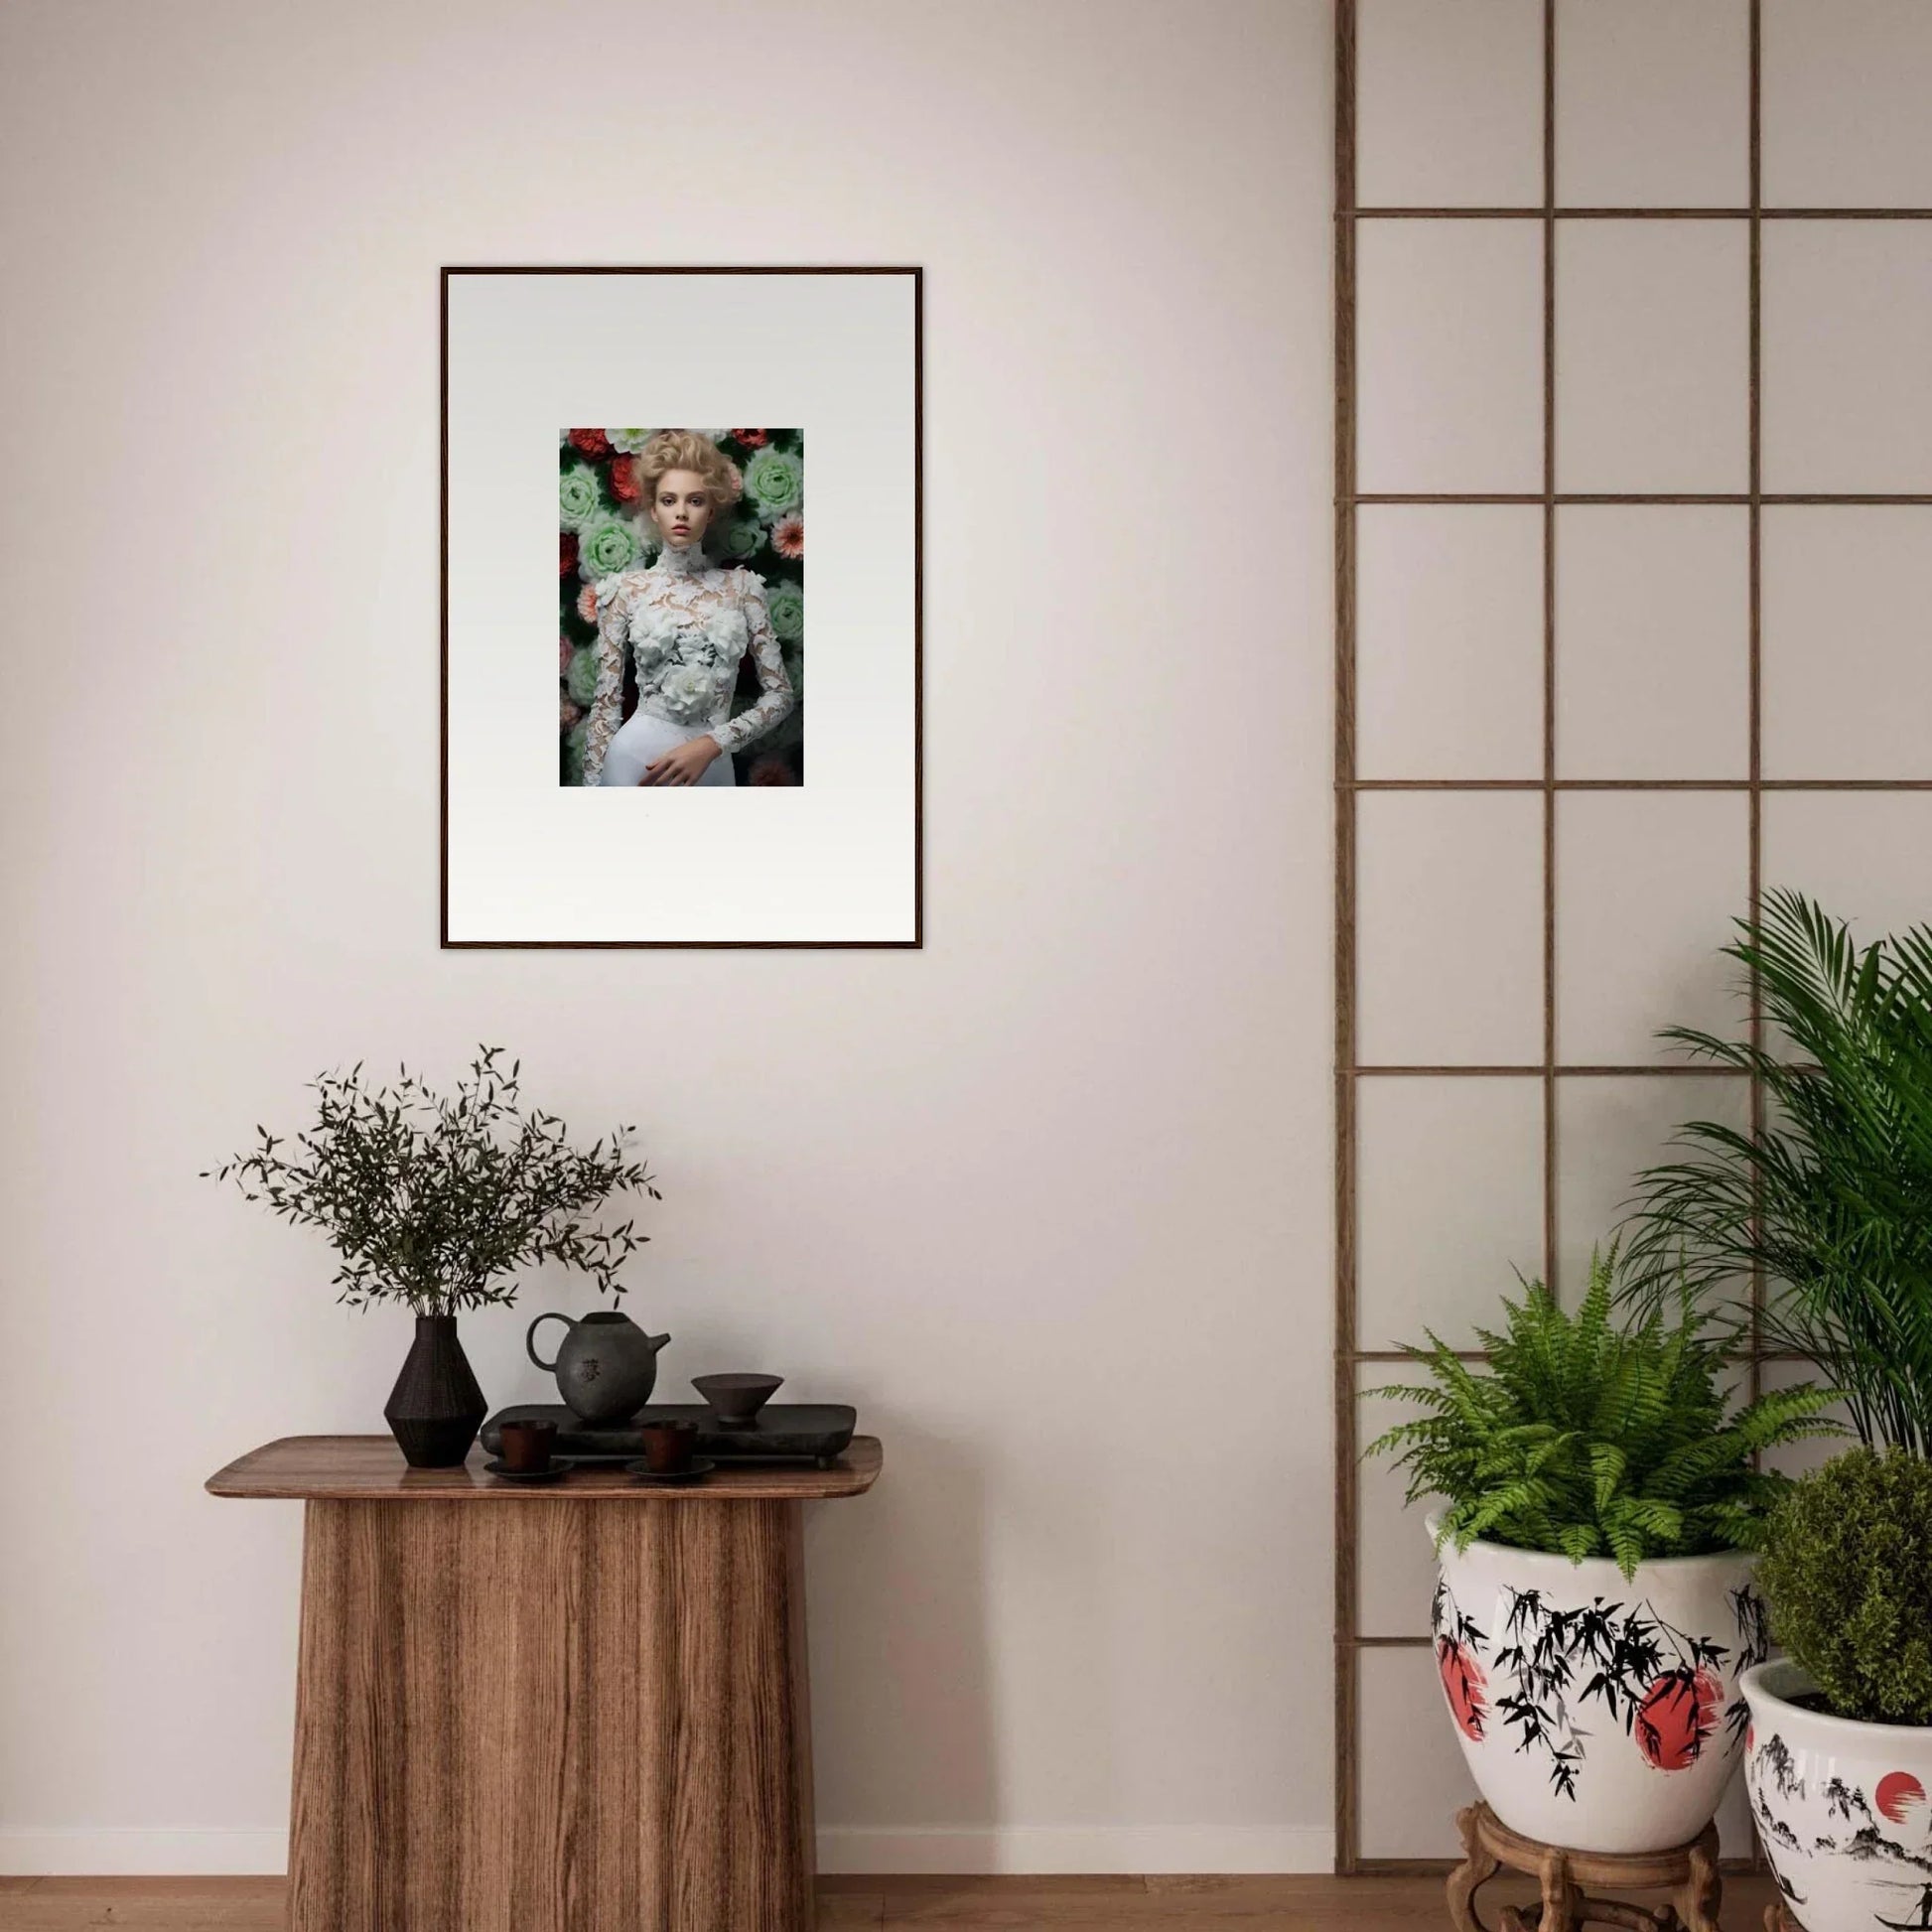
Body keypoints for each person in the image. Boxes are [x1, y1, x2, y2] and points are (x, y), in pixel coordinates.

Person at [581, 430, 794, 787]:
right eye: (669, 500)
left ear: (710, 511)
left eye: (695, 501)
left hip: (711, 766)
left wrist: (713, 743)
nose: (681, 512)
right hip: (632, 763)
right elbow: (605, 708)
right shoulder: (626, 590)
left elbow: (780, 696)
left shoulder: (743, 588)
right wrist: (591, 799)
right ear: (654, 509)